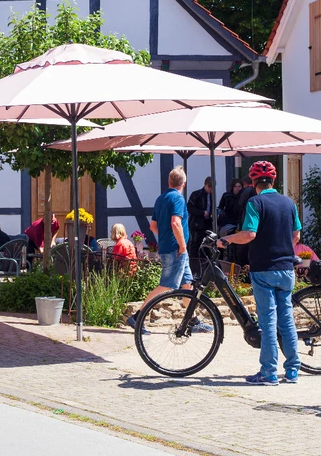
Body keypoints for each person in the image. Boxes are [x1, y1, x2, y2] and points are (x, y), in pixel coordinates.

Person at [218, 160, 301, 386]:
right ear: (274, 181)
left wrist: (226, 239)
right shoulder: (289, 203)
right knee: (286, 320)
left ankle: (269, 373)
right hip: (286, 270)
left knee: (268, 321)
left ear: (254, 182)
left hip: (264, 269)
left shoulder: (255, 203)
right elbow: (296, 236)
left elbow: (249, 234)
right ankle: (293, 370)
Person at [126, 167, 204, 332]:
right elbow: (175, 223)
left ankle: (193, 320)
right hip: (176, 250)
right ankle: (137, 317)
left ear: (169, 182)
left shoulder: (161, 199)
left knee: (186, 286)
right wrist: (182, 246)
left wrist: (166, 237)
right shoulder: (178, 199)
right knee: (167, 286)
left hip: (169, 247)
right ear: (184, 183)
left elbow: (153, 226)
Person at [187, 176, 214, 270]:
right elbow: (190, 207)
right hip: (196, 224)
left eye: (212, 188)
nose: (210, 190)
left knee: (206, 246)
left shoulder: (211, 195)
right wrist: (202, 213)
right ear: (205, 185)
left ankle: (204, 267)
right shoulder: (196, 194)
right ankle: (194, 266)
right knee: (195, 245)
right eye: (209, 187)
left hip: (207, 223)